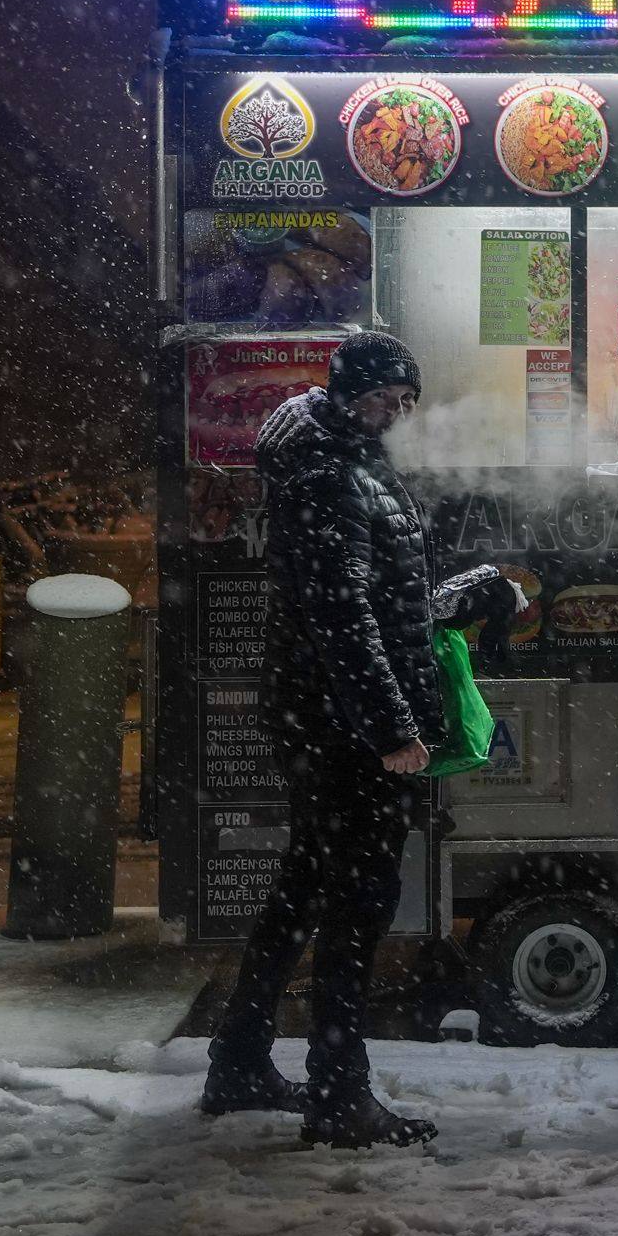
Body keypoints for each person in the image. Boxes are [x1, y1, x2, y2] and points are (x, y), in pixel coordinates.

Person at [202, 329, 511, 1145]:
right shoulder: (328, 471)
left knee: (304, 887)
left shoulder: (347, 455)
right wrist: (391, 731)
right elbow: (343, 619)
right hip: (339, 726)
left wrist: (469, 591)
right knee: (356, 901)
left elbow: (382, 597)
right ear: (350, 391)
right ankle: (339, 1093)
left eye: (407, 404)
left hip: (326, 716)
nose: (396, 414)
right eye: (386, 399)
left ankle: (239, 1058)